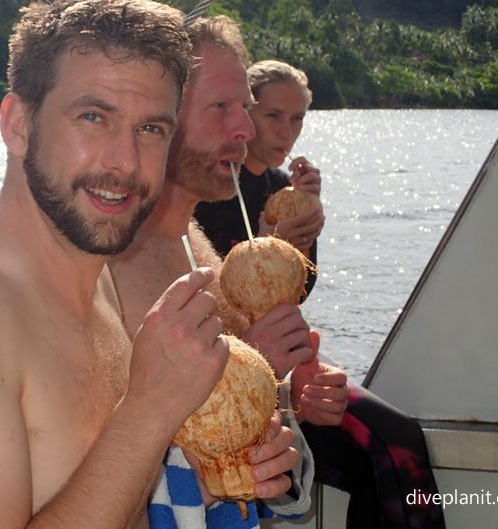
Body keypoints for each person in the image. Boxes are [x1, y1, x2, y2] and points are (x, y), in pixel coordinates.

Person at [0, 0, 300, 529]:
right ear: (18, 125)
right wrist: (149, 410)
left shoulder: (98, 286)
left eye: (151, 129)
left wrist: (210, 475)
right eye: (94, 117)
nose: (124, 162)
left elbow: (103, 497)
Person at [114, 41, 445, 528]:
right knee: (396, 452)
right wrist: (257, 361)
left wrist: (293, 395)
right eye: (223, 107)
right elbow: (127, 440)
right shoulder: (116, 259)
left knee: (392, 454)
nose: (245, 130)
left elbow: (241, 379)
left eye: (245, 109)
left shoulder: (191, 238)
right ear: (161, 114)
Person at [193, 60, 324, 297]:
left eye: (297, 118)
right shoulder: (209, 186)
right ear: (245, 114)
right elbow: (206, 288)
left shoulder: (283, 186)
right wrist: (267, 248)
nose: (286, 132)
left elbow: (302, 291)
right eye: (273, 116)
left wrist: (306, 213)